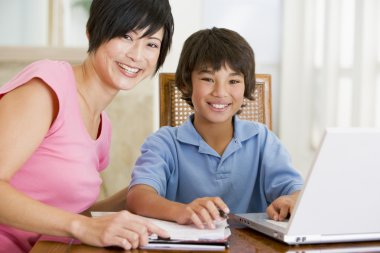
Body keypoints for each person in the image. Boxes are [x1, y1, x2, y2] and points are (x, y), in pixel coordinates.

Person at [0, 0, 174, 252]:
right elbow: (78, 224)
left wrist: (144, 189)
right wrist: (82, 227)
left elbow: (72, 215)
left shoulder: (103, 126)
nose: (137, 55)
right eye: (126, 36)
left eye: (151, 44)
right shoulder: (46, 87)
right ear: (92, 32)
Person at [126, 27, 304, 230]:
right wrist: (182, 211)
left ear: (246, 87)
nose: (220, 92)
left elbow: (296, 191)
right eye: (208, 79)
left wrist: (291, 200)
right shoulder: (164, 143)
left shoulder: (262, 139)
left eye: (234, 81)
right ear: (185, 84)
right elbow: (138, 197)